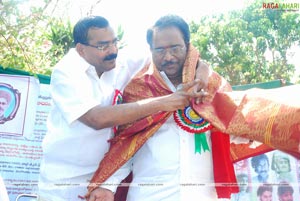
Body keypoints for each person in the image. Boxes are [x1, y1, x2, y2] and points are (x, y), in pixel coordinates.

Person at [37, 15, 205, 201]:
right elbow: (97, 119)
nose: (113, 51)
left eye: (114, 42)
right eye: (103, 46)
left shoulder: (120, 62)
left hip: (107, 176)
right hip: (64, 180)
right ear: (81, 49)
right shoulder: (66, 72)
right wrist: (164, 102)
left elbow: (182, 54)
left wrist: (203, 73)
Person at [86, 14, 238, 201]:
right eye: (160, 50)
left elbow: (238, 129)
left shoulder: (213, 86)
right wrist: (108, 186)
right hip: (150, 195)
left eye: (175, 48)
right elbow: (127, 144)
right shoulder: (137, 89)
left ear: (188, 45)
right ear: (150, 50)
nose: (168, 57)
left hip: (205, 195)